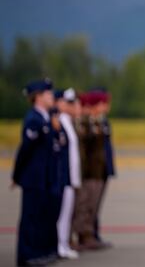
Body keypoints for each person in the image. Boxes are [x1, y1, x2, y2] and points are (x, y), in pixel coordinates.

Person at [12, 78, 59, 267]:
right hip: (33, 177)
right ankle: (26, 256)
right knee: (30, 218)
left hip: (44, 177)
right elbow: (25, 150)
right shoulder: (33, 119)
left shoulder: (45, 118)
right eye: (48, 94)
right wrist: (17, 175)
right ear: (37, 97)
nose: (51, 97)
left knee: (41, 217)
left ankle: (38, 252)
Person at [72, 92, 106, 251]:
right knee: (83, 206)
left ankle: (88, 235)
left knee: (91, 206)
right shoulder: (83, 123)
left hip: (96, 171)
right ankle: (81, 236)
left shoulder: (95, 122)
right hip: (86, 172)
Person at [55, 89, 81, 259]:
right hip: (63, 177)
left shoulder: (68, 123)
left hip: (70, 177)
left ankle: (63, 244)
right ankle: (59, 244)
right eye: (70, 103)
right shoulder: (59, 122)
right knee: (61, 214)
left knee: (66, 214)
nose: (75, 106)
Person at [91, 88, 114, 248]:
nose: (107, 106)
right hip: (92, 171)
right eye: (104, 103)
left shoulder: (103, 121)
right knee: (88, 206)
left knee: (95, 205)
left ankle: (93, 234)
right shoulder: (90, 122)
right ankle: (87, 235)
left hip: (102, 169)